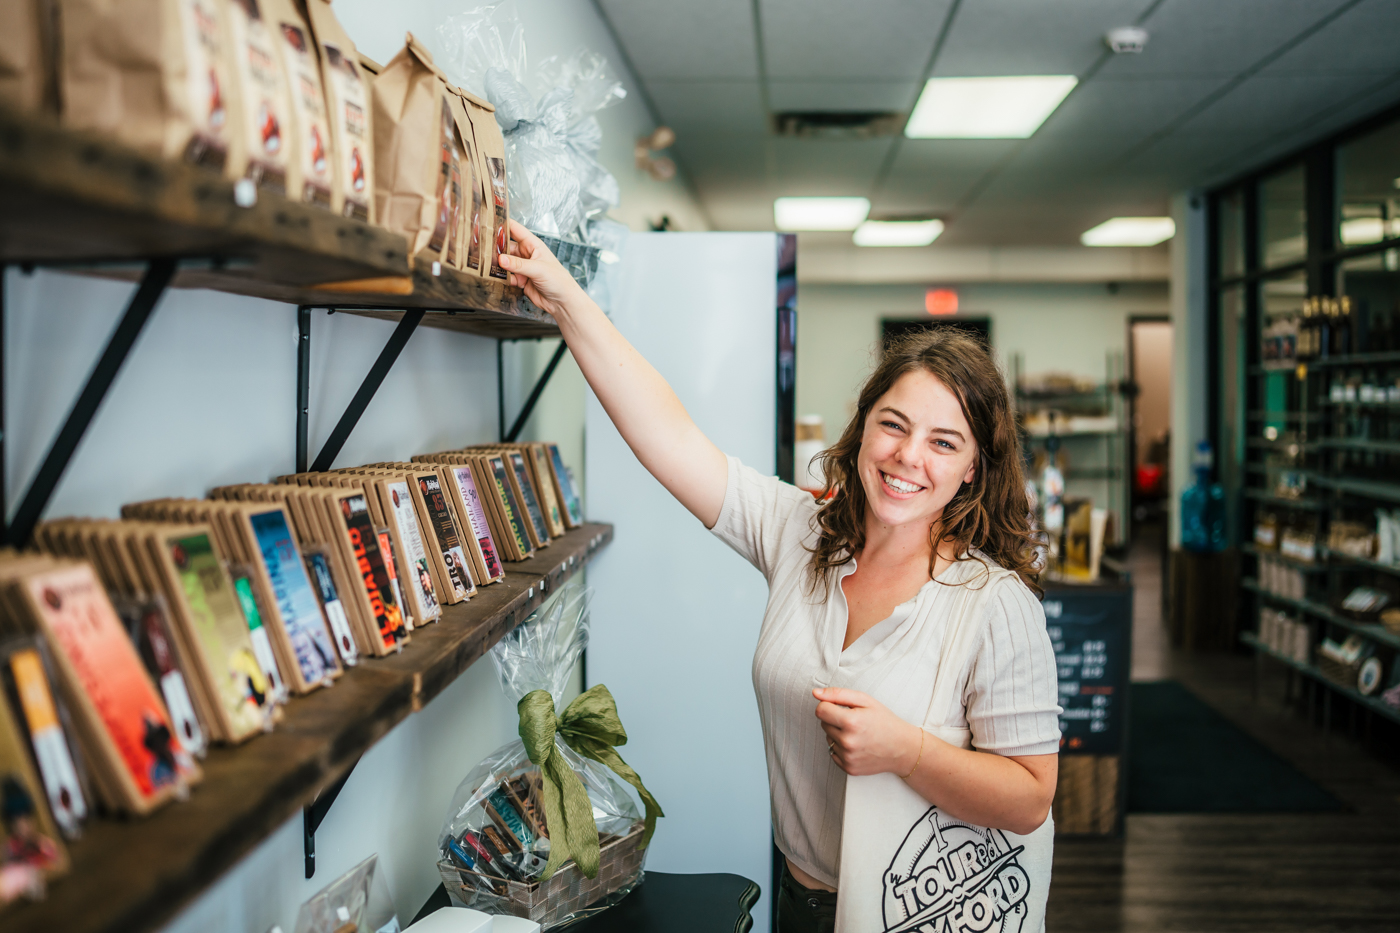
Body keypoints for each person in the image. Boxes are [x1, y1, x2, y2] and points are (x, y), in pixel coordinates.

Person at [501, 221, 1060, 933]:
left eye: (943, 442)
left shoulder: (994, 604)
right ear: (863, 429)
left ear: (972, 467)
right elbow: (669, 435)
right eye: (893, 424)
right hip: (802, 901)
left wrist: (906, 750)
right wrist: (565, 298)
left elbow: (1030, 796)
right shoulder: (800, 533)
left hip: (922, 914)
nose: (908, 456)